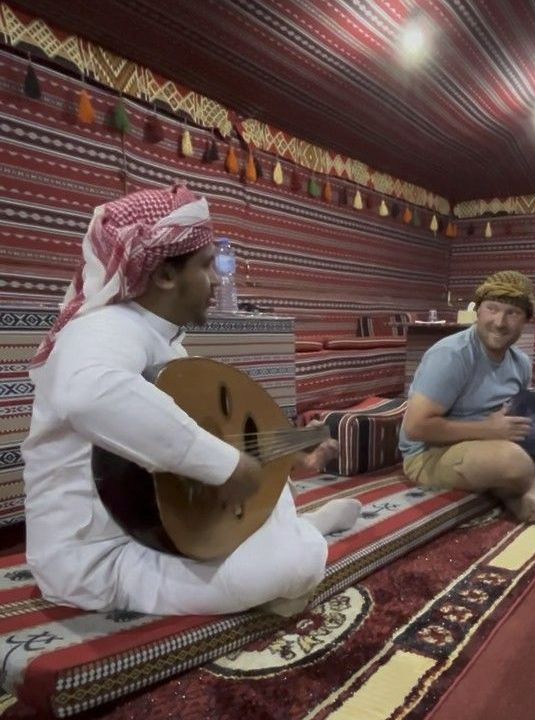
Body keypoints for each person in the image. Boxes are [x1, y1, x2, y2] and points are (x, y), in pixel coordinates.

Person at [21, 184, 360, 617]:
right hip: (97, 559)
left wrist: (287, 455)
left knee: (267, 511)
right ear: (165, 275)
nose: (217, 280)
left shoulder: (165, 345)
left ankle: (295, 531)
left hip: (162, 529)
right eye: (206, 267)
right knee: (285, 570)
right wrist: (223, 464)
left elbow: (186, 438)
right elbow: (90, 394)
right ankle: (307, 533)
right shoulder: (103, 329)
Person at [400, 270, 535, 522]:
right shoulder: (451, 356)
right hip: (430, 453)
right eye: (492, 309)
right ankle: (512, 486)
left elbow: (515, 408)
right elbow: (416, 427)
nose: (500, 322)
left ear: (525, 320)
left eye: (513, 313)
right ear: (478, 311)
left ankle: (530, 497)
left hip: (491, 443)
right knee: (516, 464)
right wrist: (488, 430)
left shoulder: (520, 362)